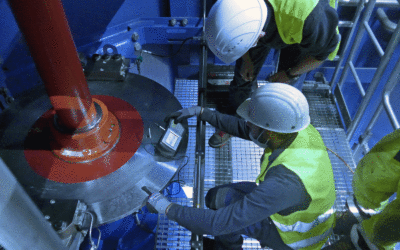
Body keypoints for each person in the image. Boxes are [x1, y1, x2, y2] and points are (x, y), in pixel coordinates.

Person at [145, 83, 336, 250]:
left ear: (270, 132)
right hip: (292, 207)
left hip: (296, 239)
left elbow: (218, 224)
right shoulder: (296, 129)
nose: (248, 125)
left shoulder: (285, 183)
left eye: (252, 123)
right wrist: (203, 113)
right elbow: (247, 129)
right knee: (214, 197)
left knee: (222, 207)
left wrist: (167, 208)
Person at [204, 0, 341, 148]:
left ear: (260, 33)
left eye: (251, 42)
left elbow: (319, 57)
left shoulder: (313, 21)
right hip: (265, 17)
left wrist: (289, 74)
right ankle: (234, 118)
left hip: (300, 29)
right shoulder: (240, 9)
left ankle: (275, 132)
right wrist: (247, 61)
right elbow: (241, 36)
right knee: (243, 76)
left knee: (286, 93)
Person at [330, 129, 400, 250]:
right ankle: (359, 213)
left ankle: (359, 242)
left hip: (373, 238)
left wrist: (374, 239)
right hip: (369, 191)